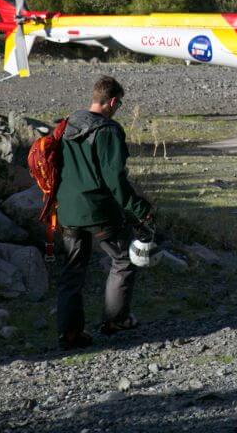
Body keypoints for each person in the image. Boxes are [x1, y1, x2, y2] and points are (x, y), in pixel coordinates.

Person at [56, 76, 154, 350]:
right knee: (123, 258)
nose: (119, 107)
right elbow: (115, 180)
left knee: (72, 271)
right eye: (119, 103)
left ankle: (70, 333)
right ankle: (115, 319)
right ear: (111, 102)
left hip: (67, 210)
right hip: (98, 210)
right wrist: (140, 210)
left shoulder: (68, 123)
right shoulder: (108, 131)